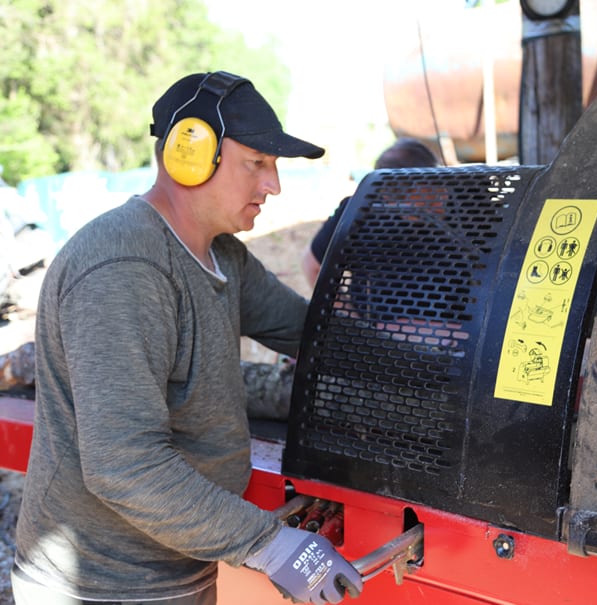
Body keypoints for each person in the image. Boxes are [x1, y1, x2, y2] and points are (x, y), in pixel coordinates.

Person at [11, 71, 363, 605]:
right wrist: (269, 544)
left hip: (178, 563)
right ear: (190, 154)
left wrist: (423, 362)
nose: (273, 185)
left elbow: (308, 333)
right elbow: (124, 465)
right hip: (104, 585)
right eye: (257, 163)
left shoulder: (222, 256)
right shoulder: (125, 267)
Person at [300, 138, 440, 287]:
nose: (442, 195)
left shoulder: (457, 210)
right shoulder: (356, 212)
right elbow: (312, 265)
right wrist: (341, 302)